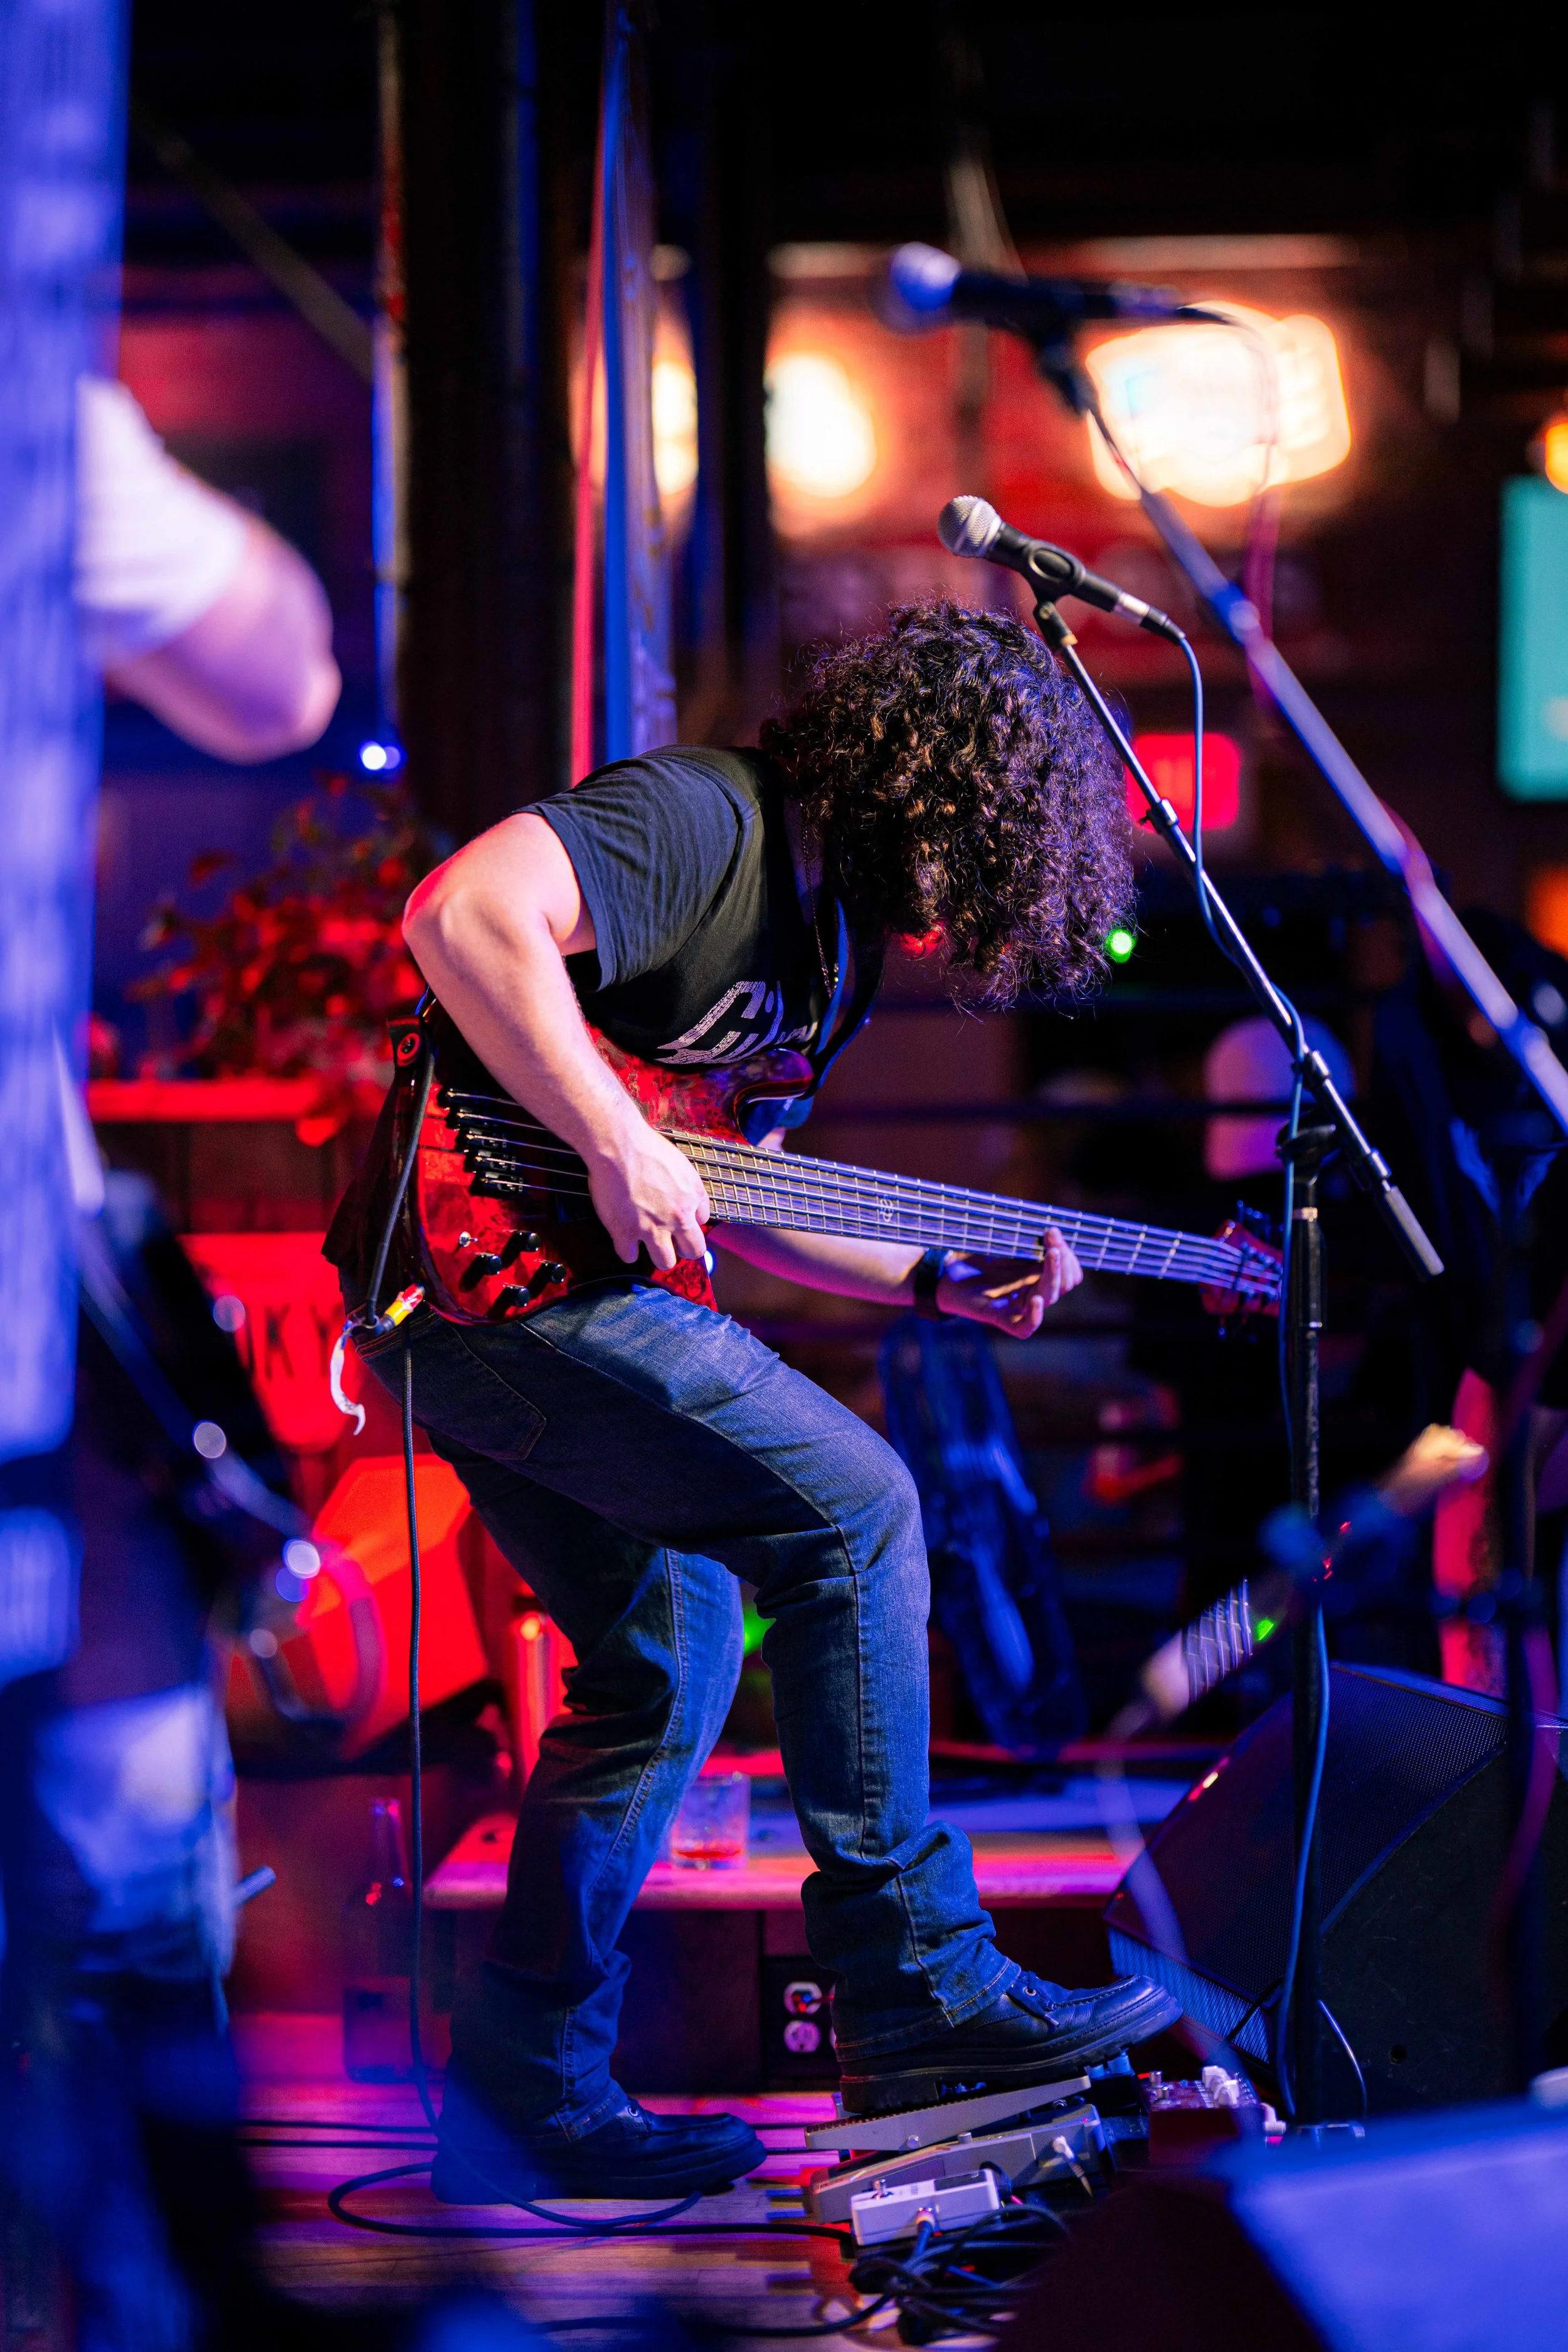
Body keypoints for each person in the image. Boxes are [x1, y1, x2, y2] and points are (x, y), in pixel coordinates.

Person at [329, 600, 1181, 2203]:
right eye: (968, 842)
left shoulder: (833, 939)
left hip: (543, 1302)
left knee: (666, 1660)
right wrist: (602, 1135)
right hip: (480, 1279)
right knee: (857, 1511)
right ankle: (917, 1988)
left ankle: (526, 2088)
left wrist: (927, 1274)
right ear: (914, 785)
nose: (960, 896)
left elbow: (730, 1183)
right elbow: (462, 916)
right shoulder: (703, 820)